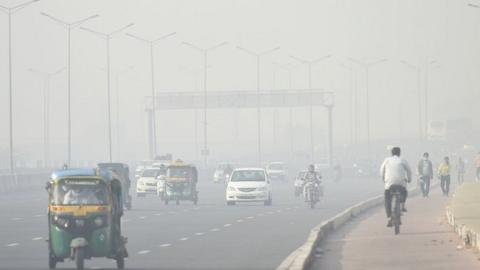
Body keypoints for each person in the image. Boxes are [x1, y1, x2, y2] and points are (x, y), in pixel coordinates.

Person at [380, 147, 412, 227]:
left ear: (391, 153)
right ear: (399, 153)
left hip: (389, 184)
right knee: (404, 192)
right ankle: (402, 205)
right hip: (401, 183)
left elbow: (381, 170)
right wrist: (409, 179)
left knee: (387, 199)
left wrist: (383, 178)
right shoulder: (402, 160)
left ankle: (389, 217)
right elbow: (409, 170)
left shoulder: (386, 160)